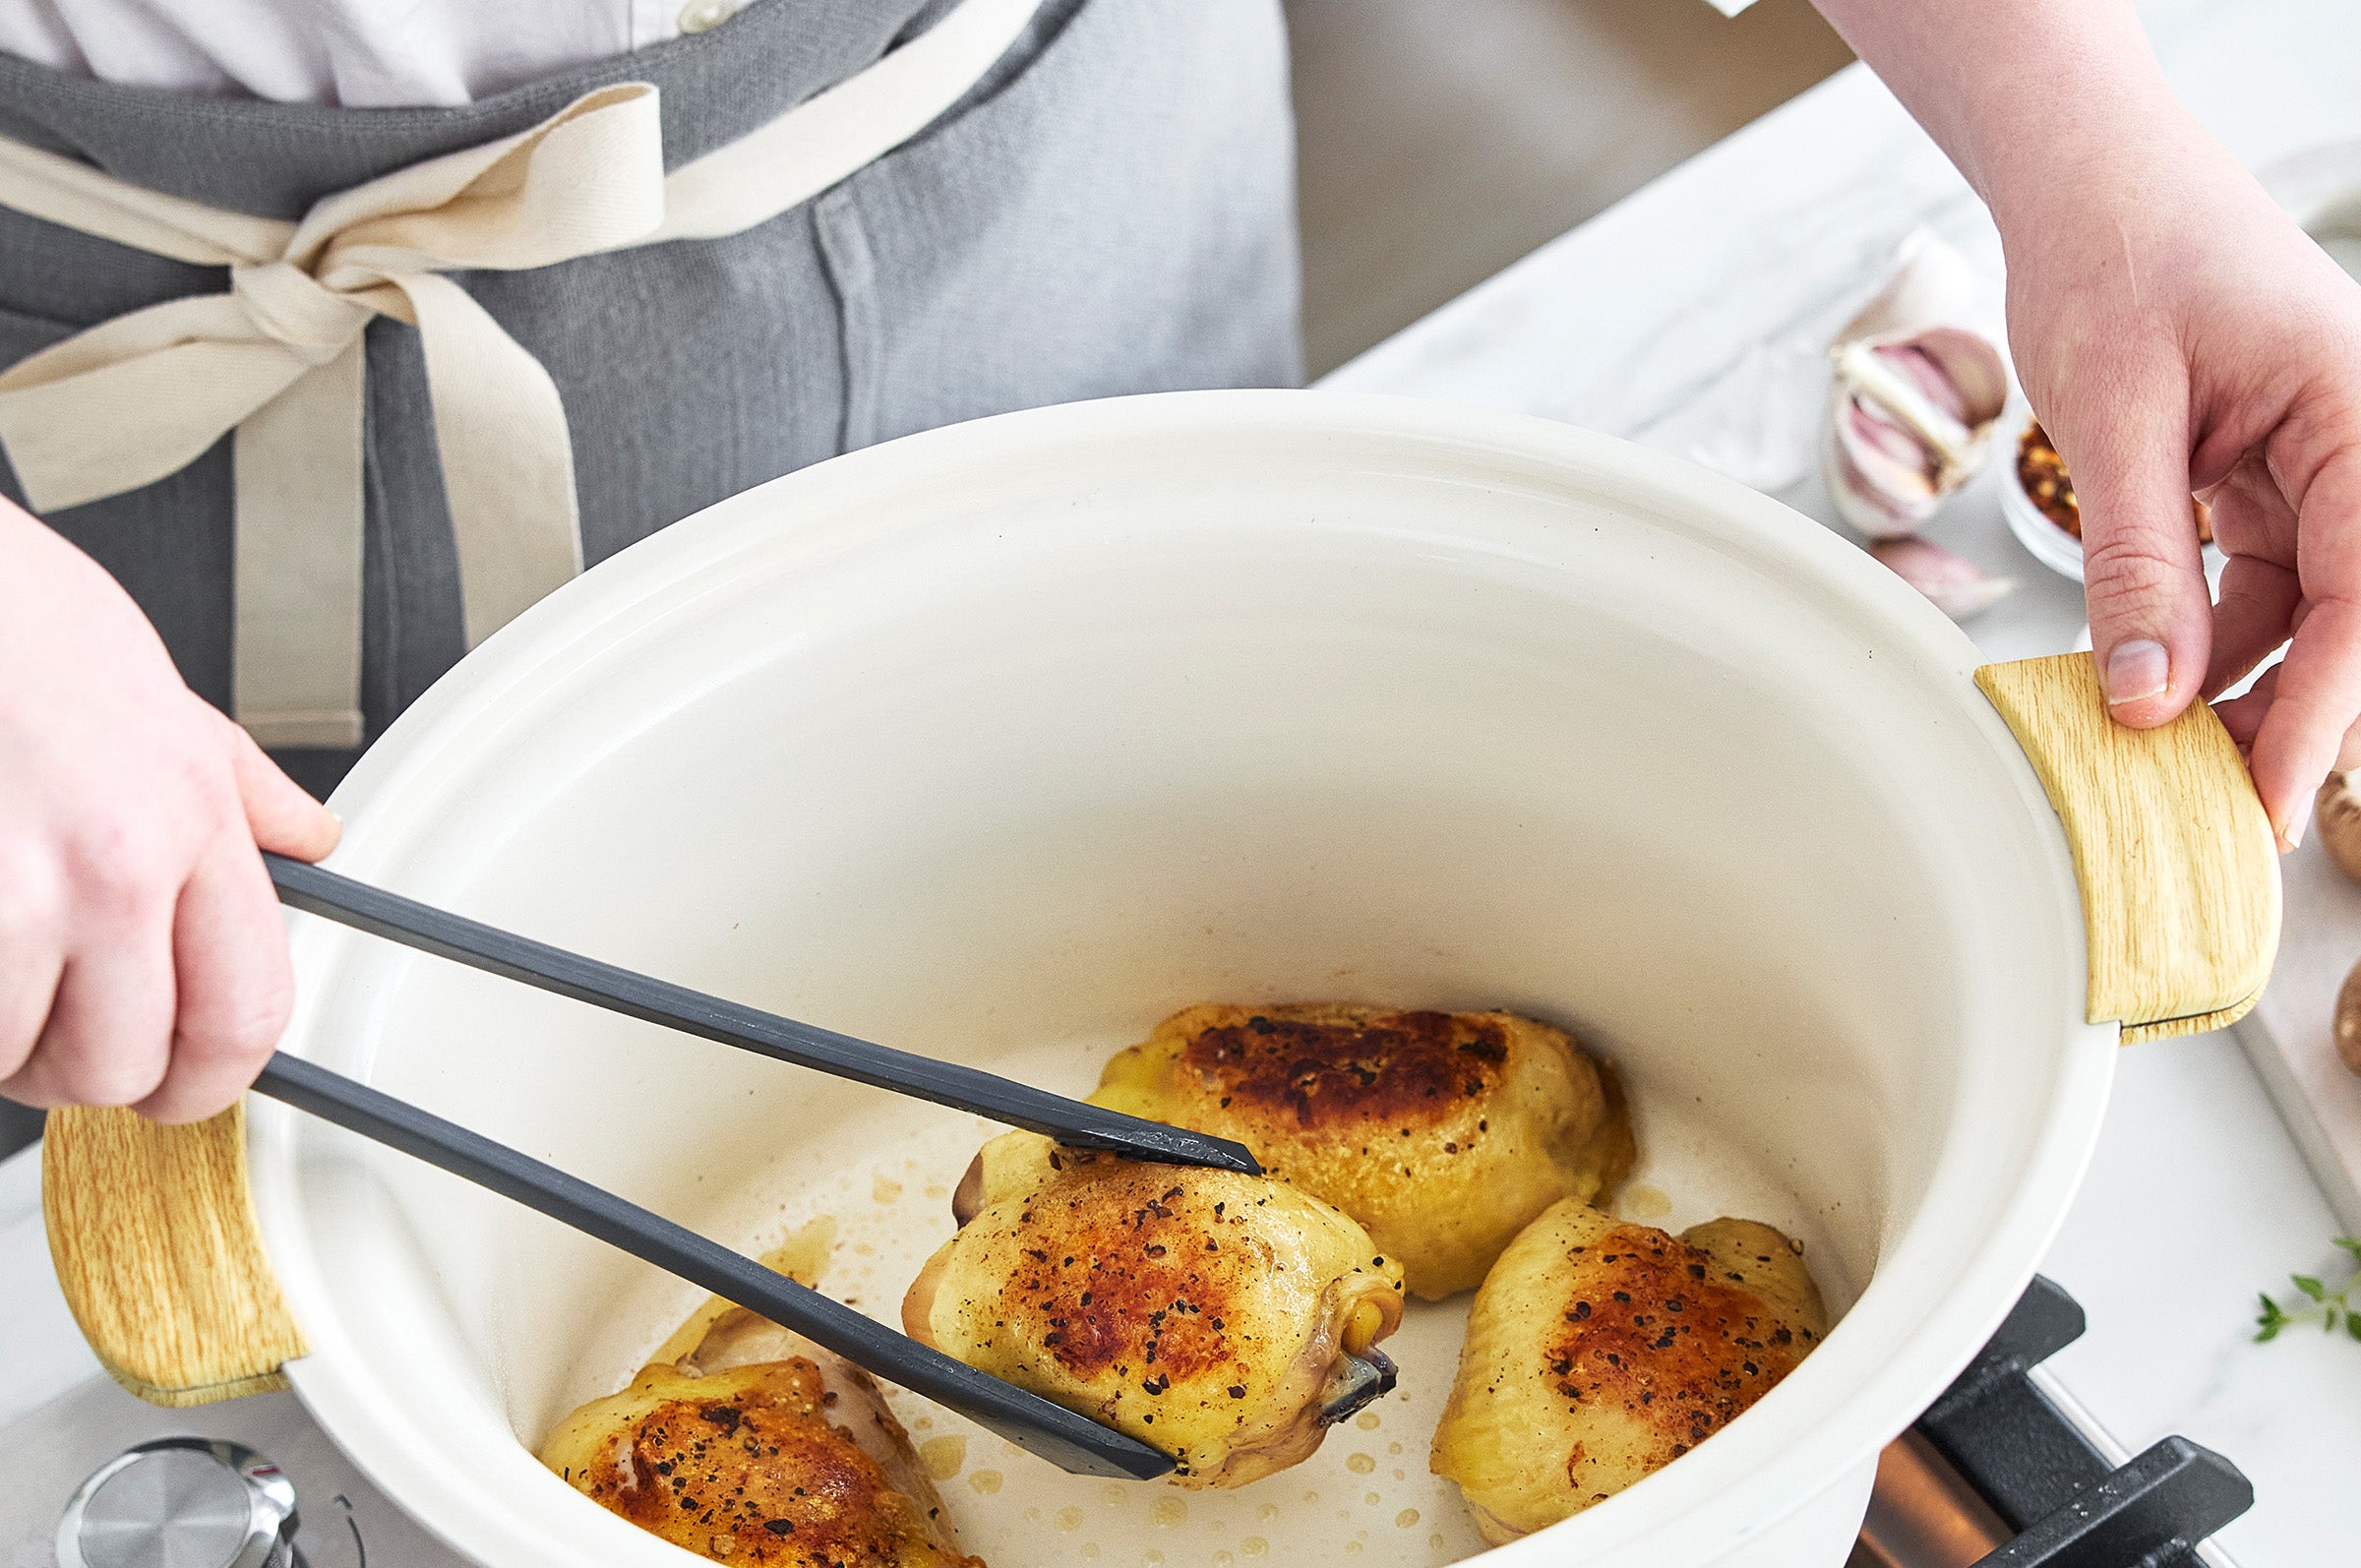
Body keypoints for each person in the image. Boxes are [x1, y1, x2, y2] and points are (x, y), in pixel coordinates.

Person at [2, 0, 2356, 1132]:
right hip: (139, 512)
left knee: (1237, 866)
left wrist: (2097, 153)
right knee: (241, 1098)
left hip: (1037, 183)